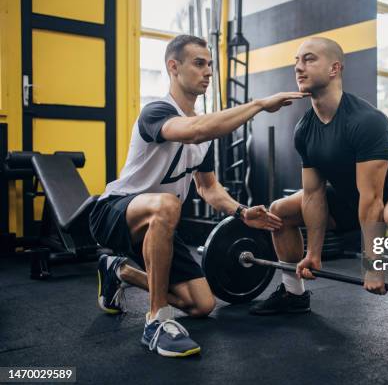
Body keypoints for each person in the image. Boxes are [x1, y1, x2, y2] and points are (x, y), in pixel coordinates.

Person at [89, 34, 308, 357]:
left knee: (202, 304)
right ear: (173, 67)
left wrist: (241, 212)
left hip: (158, 224)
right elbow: (193, 131)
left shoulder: (202, 131)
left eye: (210, 65)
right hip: (114, 214)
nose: (207, 72)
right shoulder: (156, 112)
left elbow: (208, 188)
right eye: (199, 64)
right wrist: (260, 104)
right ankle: (156, 321)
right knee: (166, 205)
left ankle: (118, 271)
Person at [249, 37, 388, 369]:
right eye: (296, 60)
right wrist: (314, 252)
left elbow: (373, 201)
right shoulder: (305, 129)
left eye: (309, 59)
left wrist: (373, 265)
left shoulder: (366, 119)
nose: (298, 66)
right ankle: (294, 295)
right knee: (280, 211)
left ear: (335, 68)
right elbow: (313, 195)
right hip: (347, 198)